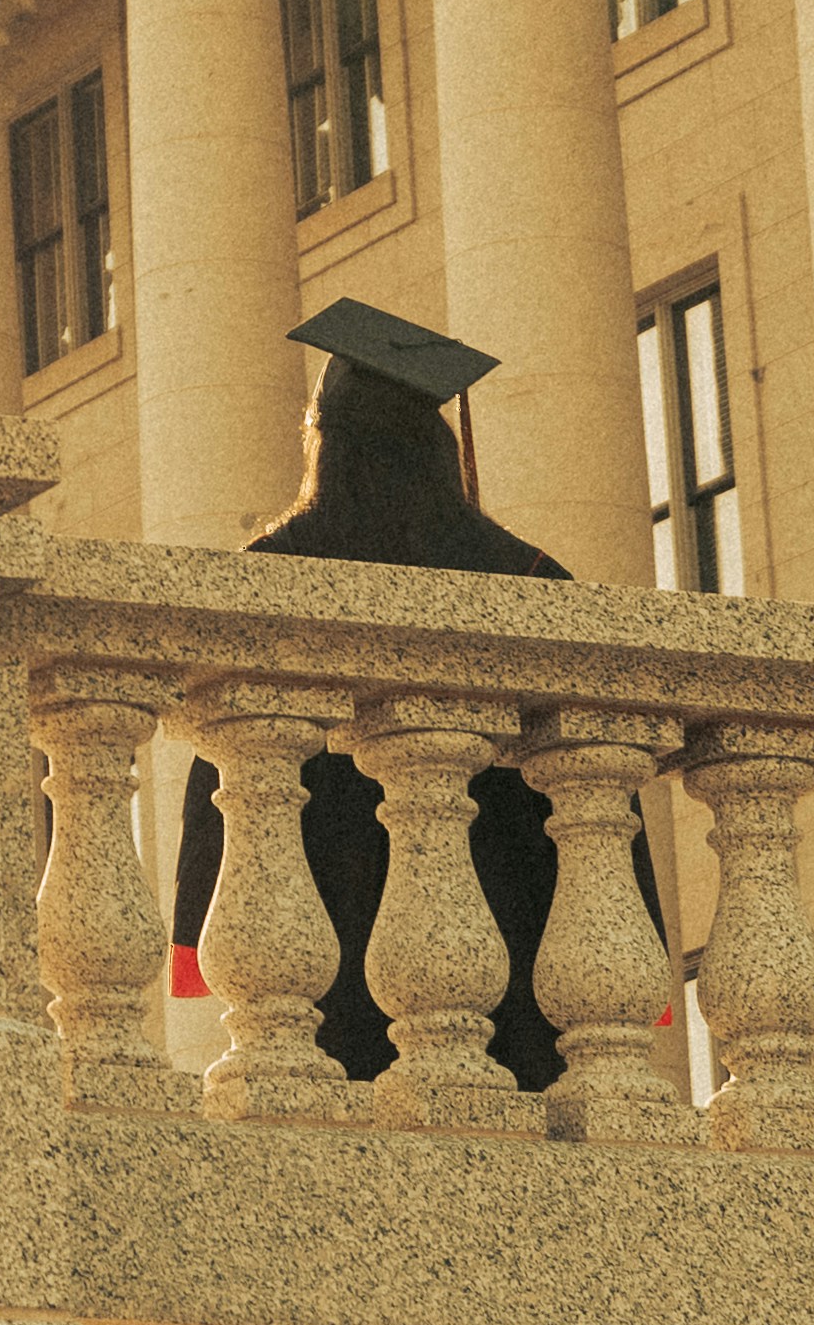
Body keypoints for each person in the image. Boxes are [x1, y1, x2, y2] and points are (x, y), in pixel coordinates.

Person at [159, 298, 605, 1091]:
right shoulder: (526, 576)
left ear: (324, 445)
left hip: (315, 959)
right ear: (438, 446)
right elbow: (592, 768)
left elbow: (220, 772)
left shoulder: (268, 574)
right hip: (507, 963)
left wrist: (199, 929)